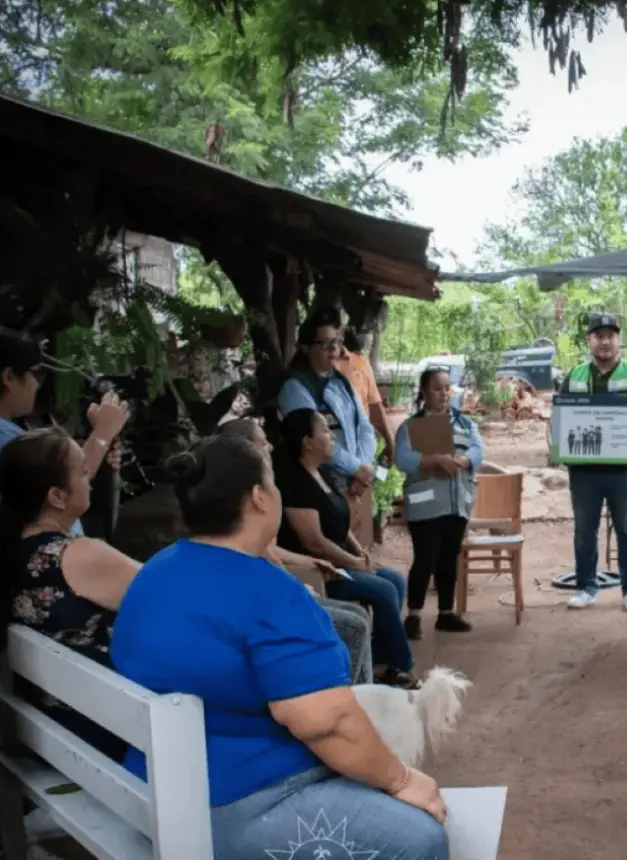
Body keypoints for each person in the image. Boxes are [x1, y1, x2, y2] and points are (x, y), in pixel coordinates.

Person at [109, 435, 447, 859]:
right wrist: (402, 780)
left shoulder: (158, 569)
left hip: (155, 782)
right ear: (259, 498)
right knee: (423, 838)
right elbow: (327, 723)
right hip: (237, 805)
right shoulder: (267, 591)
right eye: (271, 480)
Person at [0, 428, 140, 760]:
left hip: (55, 728)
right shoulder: (77, 555)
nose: (89, 475)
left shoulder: (14, 552)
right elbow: (182, 594)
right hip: (103, 733)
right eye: (81, 470)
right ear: (57, 497)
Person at [219, 419, 374, 684]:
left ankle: (362, 698)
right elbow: (262, 557)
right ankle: (343, 706)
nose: (269, 447)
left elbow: (270, 550)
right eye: (262, 441)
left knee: (357, 615)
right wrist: (298, 588)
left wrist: (313, 562)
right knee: (354, 625)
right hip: (259, 604)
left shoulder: (265, 487)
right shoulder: (247, 498)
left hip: (272, 590)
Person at [274, 407, 419, 689]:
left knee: (395, 580)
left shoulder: (322, 473)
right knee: (384, 589)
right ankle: (402, 667)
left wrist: (359, 553)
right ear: (307, 442)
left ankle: (378, 659)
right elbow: (314, 542)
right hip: (322, 569)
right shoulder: (293, 481)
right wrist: (354, 564)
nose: (332, 438)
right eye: (325, 431)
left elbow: (340, 525)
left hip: (343, 558)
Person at [558, 312, 627, 613]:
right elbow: (560, 418)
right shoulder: (573, 376)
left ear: (619, 340)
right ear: (588, 340)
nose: (604, 341)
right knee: (584, 530)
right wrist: (556, 449)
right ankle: (585, 587)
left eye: (610, 335)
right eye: (598, 335)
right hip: (583, 472)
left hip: (623, 470)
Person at [0, 328, 129, 534]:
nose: (36, 385)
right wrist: (103, 434)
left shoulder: (11, 433)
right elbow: (62, 492)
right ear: (9, 377)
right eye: (34, 374)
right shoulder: (6, 441)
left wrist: (99, 443)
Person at [396, 366, 484, 639]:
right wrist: (434, 461)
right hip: (425, 507)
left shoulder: (465, 423)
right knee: (425, 558)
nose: (444, 394)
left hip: (456, 503)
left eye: (447, 388)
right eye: (437, 388)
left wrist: (463, 461)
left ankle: (445, 614)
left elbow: (478, 451)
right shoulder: (410, 427)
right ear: (424, 392)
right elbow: (403, 459)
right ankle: (413, 615)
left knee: (449, 559)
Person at [278, 310, 378, 546]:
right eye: (325, 344)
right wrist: (357, 468)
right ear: (305, 348)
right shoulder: (296, 388)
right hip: (325, 488)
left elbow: (365, 427)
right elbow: (314, 441)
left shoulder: (341, 381)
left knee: (361, 553)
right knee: (341, 556)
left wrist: (363, 469)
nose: (334, 350)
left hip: (356, 485)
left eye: (336, 342)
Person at [338, 327, 395, 466]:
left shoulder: (361, 363)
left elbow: (374, 405)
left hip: (362, 449)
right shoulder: (317, 369)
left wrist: (389, 440)